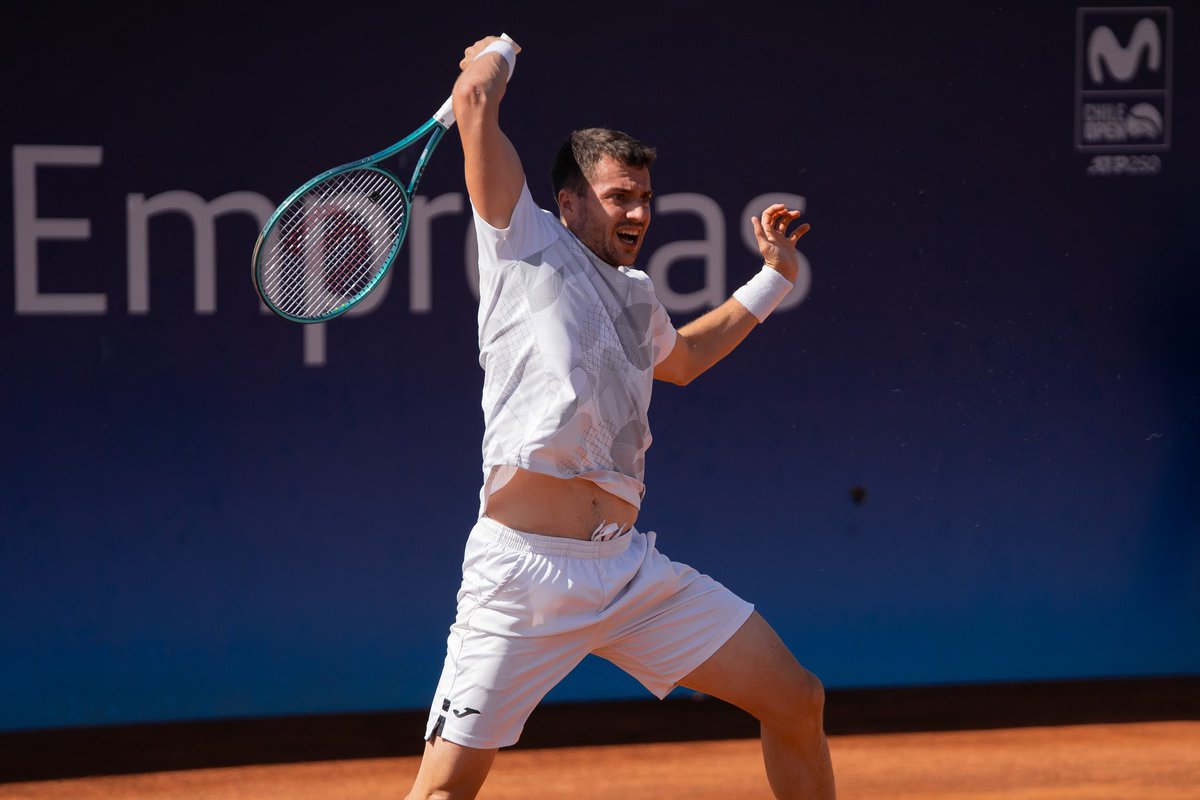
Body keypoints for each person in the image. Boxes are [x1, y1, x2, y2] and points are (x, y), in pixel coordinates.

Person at [405, 35, 836, 800]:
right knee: (443, 792)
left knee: (797, 700)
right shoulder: (522, 242)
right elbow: (475, 101)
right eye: (618, 197)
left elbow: (686, 359)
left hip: (625, 570)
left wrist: (774, 279)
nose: (637, 211)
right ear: (567, 203)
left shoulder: (636, 294)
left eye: (644, 196)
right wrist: (498, 50)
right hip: (520, 579)